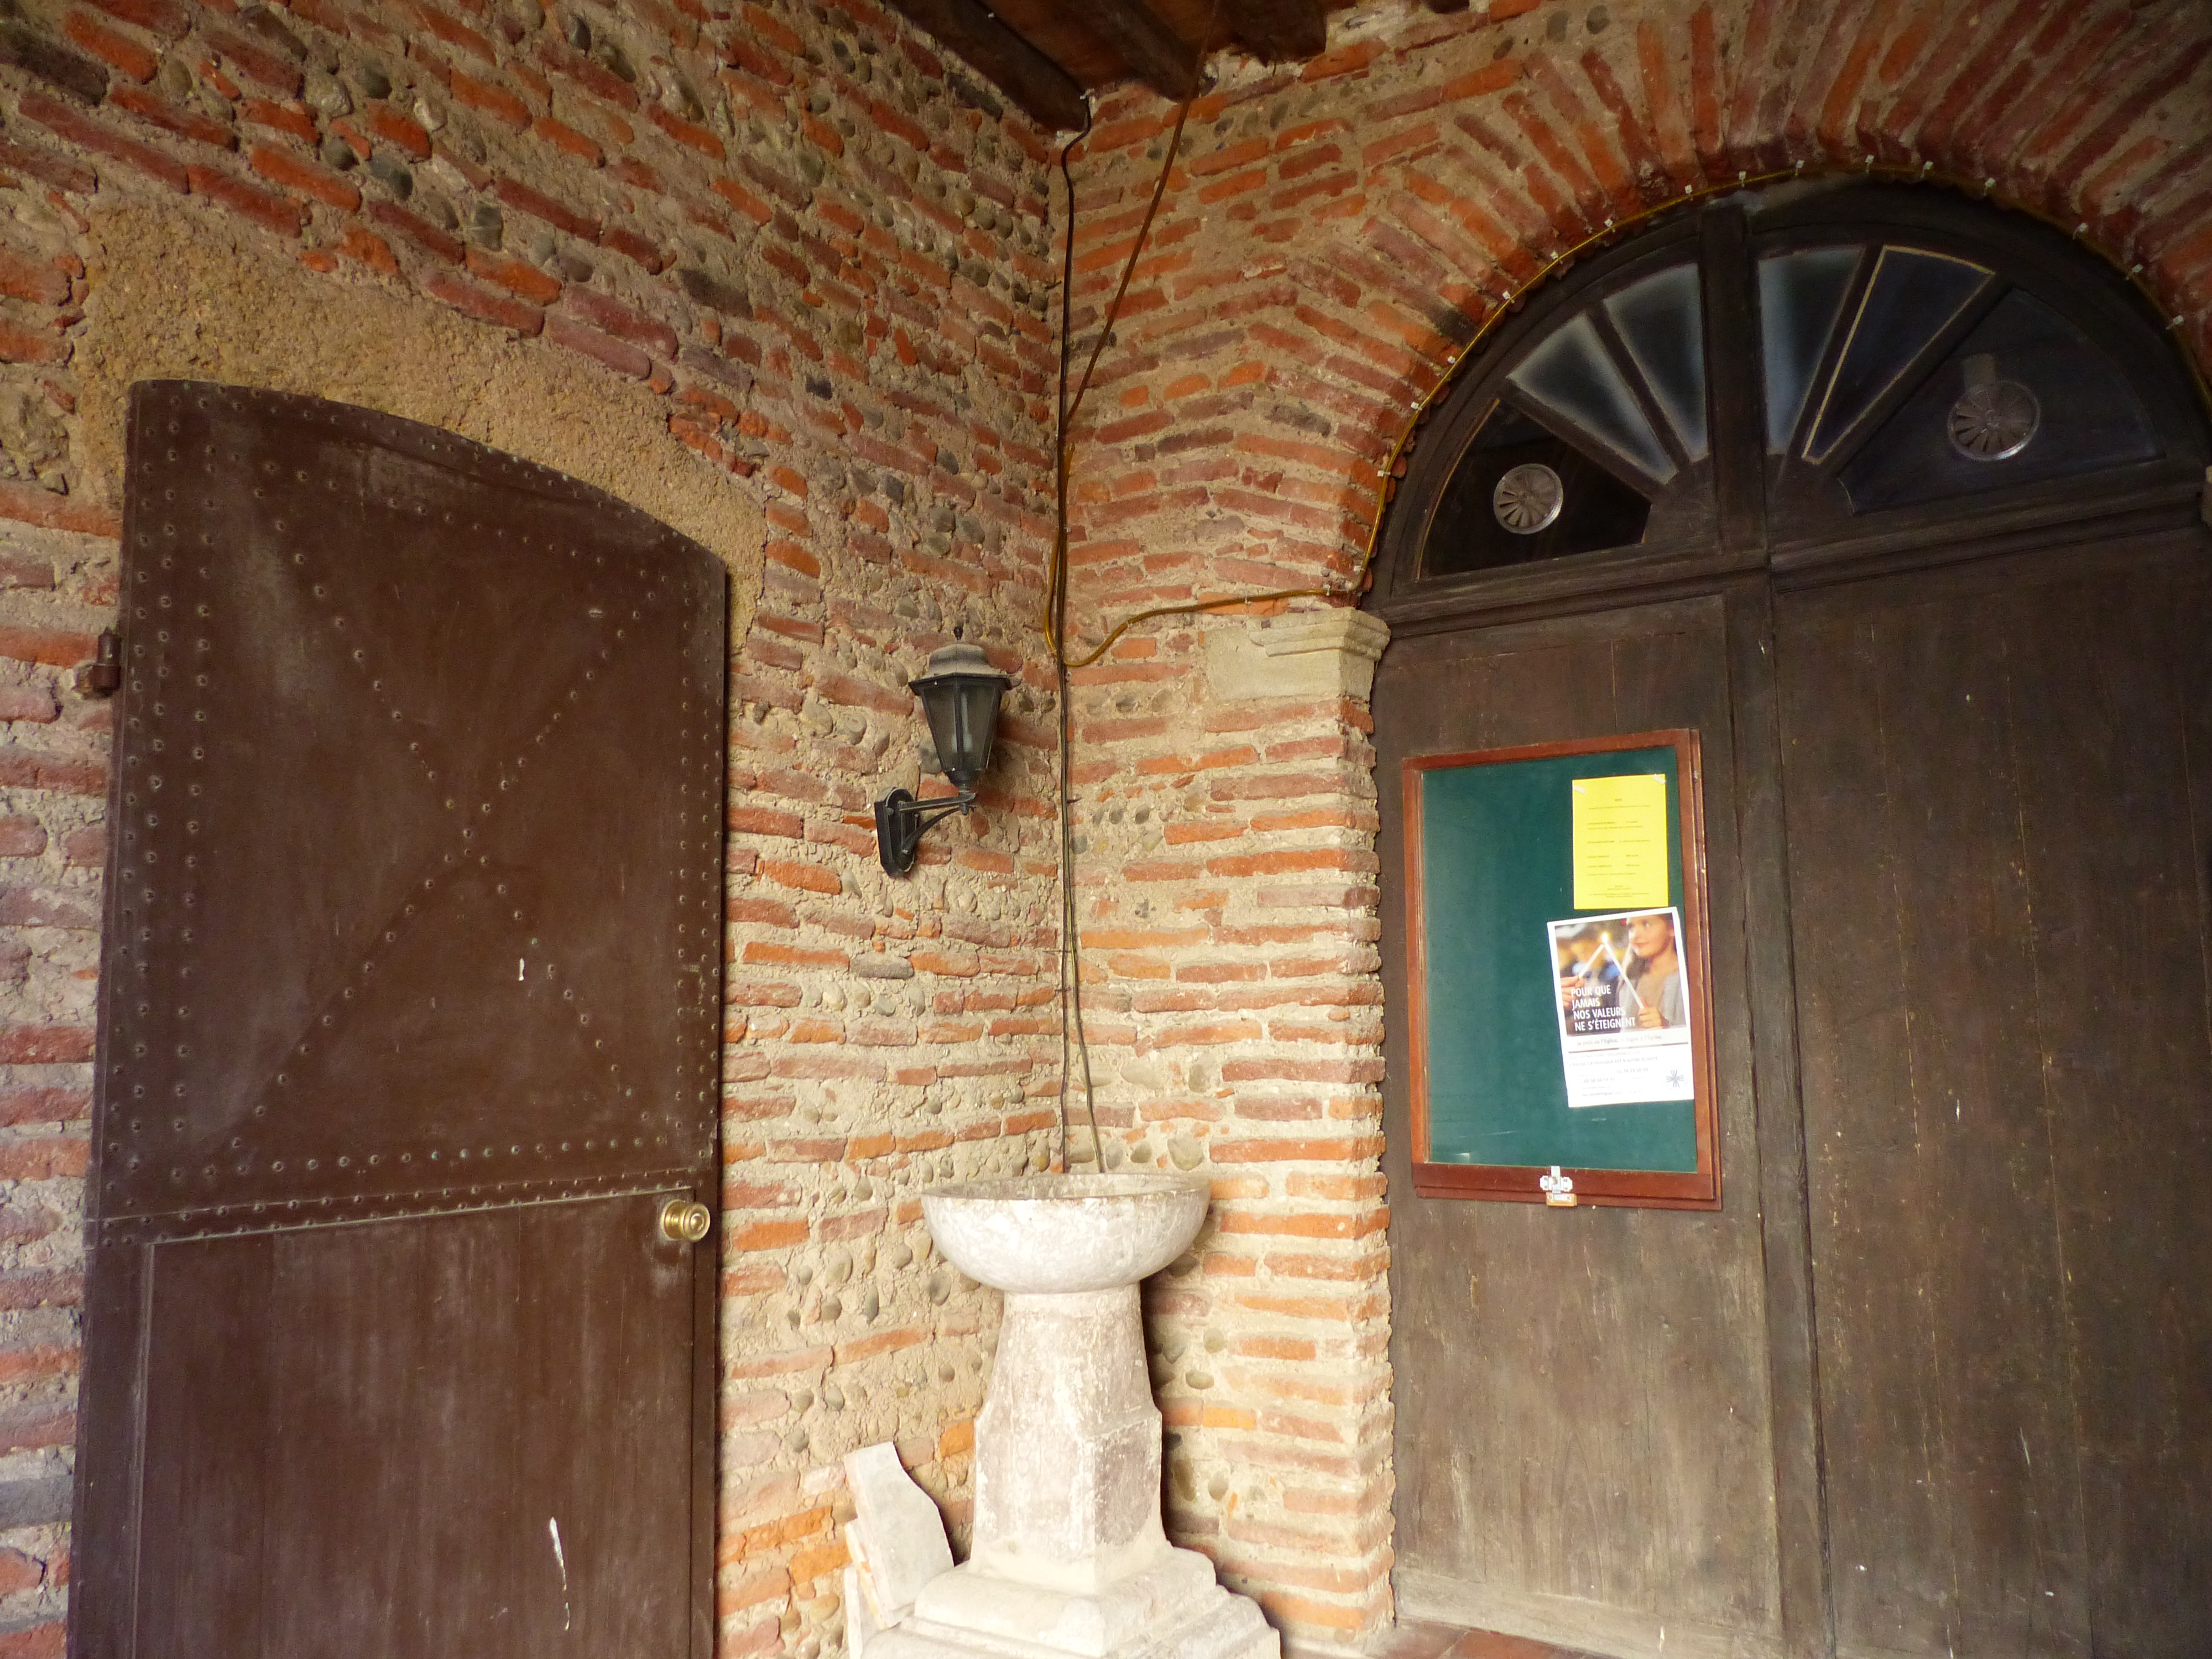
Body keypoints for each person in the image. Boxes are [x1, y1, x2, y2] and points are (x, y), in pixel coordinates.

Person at [1625, 910, 1686, 1029]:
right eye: (1631, 927)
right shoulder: (1627, 981)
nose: (1635, 936)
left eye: (1646, 924)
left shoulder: (1690, 977)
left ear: (1672, 928)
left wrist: (1666, 1027)